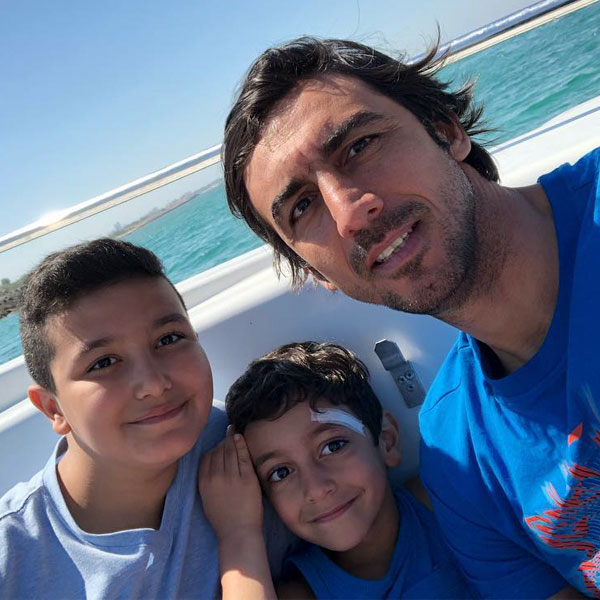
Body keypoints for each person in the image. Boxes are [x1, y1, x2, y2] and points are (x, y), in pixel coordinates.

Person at [222, 36, 599, 597]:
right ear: (319, 274)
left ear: (446, 130)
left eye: (359, 146)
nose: (350, 214)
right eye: (303, 207)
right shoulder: (459, 457)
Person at [0, 238, 290, 598]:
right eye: (104, 363)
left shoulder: (257, 448)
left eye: (169, 339)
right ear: (53, 409)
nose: (153, 384)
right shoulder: (12, 560)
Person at [200, 341, 469, 599]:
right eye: (281, 472)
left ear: (386, 441)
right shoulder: (300, 595)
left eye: (333, 446)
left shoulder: (448, 500)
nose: (316, 488)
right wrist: (239, 532)